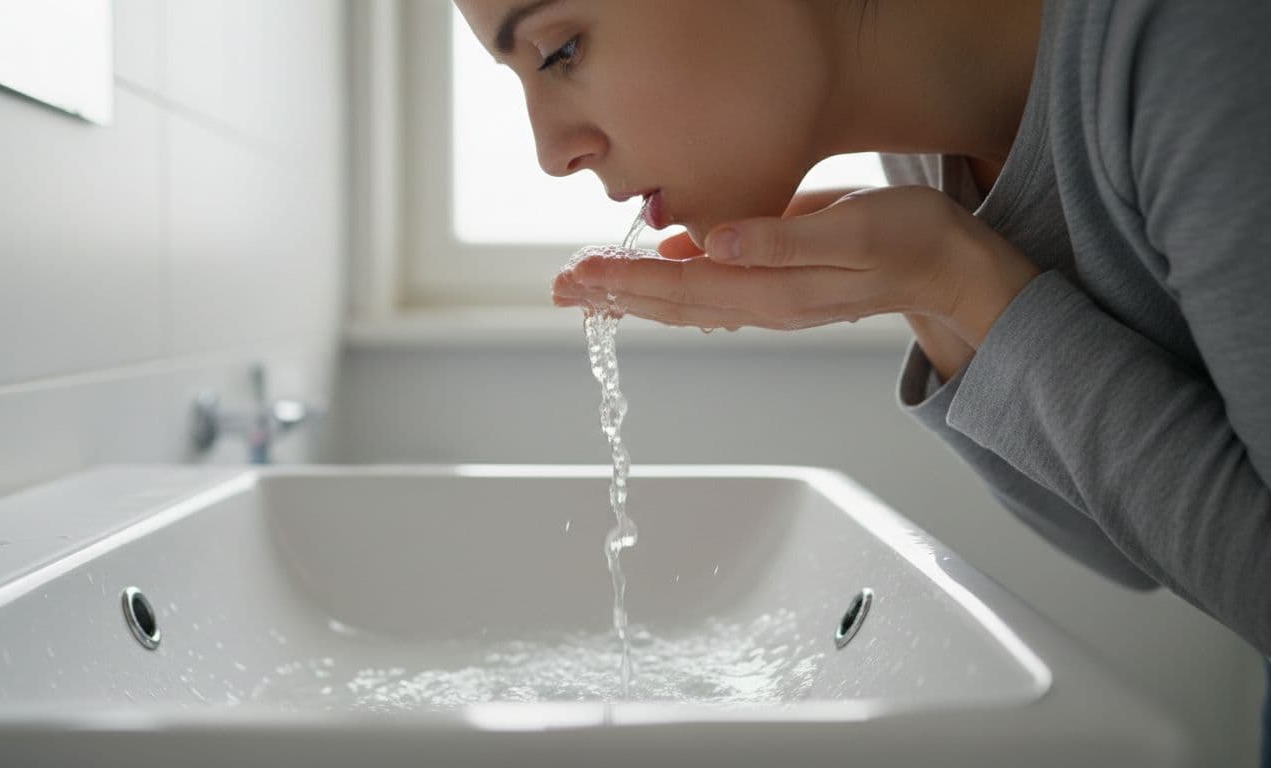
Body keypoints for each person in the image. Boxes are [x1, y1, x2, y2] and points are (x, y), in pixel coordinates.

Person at [453, 0, 1271, 758]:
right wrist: (922, 288)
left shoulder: (1194, 39)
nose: (552, 153)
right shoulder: (921, 129)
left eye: (561, 50)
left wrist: (965, 283)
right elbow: (1125, 544)